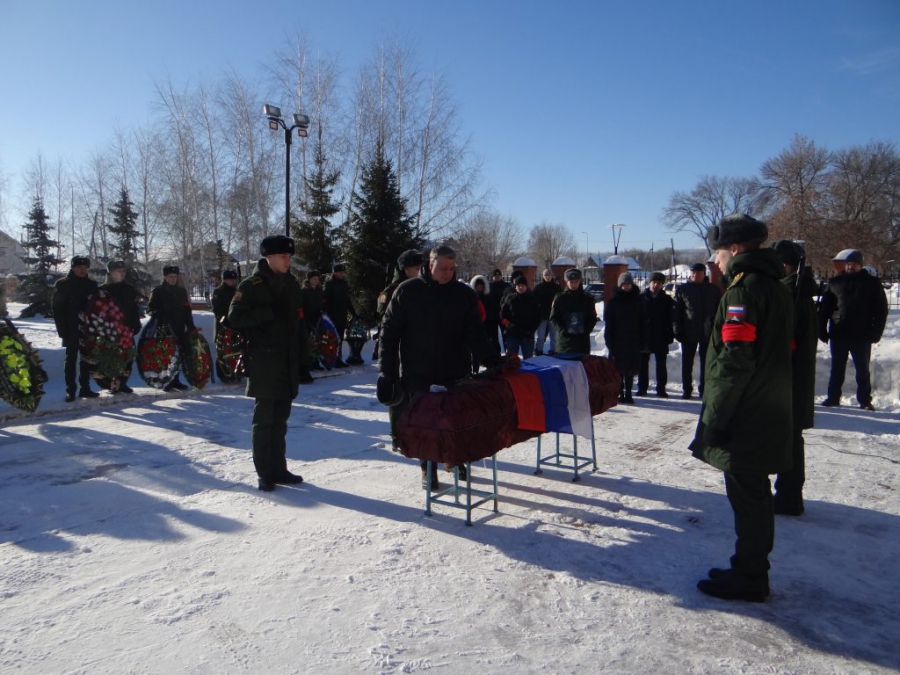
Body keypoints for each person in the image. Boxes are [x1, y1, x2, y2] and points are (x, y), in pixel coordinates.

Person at [690, 214, 793, 603]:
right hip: (767, 406)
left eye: (716, 252)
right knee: (755, 495)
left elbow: (734, 362)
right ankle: (747, 567)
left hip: (747, 413)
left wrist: (715, 420)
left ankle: (751, 576)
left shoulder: (742, 292)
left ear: (733, 249)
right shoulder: (774, 286)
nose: (714, 261)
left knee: (748, 497)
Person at [378, 244, 496, 490]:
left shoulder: (463, 294)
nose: (448, 273)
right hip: (418, 371)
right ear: (429, 265)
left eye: (452, 268)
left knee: (455, 420)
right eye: (443, 268)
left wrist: (492, 360)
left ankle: (453, 459)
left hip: (455, 370)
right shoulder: (408, 291)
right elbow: (389, 333)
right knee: (426, 424)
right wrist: (387, 372)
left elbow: (475, 332)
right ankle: (428, 468)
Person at [228, 235, 306, 492]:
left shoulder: (292, 284)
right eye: (283, 256)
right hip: (263, 361)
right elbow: (234, 318)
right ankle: (265, 473)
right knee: (264, 422)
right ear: (269, 257)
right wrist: (268, 312)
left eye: (290, 256)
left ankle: (279, 468)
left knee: (280, 420)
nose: (288, 260)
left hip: (287, 361)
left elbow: (298, 322)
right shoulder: (252, 286)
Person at [770, 239, 818, 516]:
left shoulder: (790, 296)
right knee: (791, 438)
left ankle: (788, 496)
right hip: (794, 379)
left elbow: (784, 343)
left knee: (787, 439)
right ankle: (789, 494)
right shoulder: (799, 294)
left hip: (787, 380)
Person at [818, 249, 888, 411]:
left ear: (860, 266)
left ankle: (864, 400)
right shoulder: (836, 282)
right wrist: (821, 329)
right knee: (837, 367)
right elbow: (825, 308)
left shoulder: (871, 283)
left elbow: (881, 310)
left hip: (861, 334)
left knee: (862, 369)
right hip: (839, 331)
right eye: (848, 264)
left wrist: (876, 332)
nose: (850, 267)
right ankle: (833, 397)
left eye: (854, 265)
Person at [52, 255, 99, 402]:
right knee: (71, 359)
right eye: (79, 267)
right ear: (73, 267)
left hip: (87, 328)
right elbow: (57, 309)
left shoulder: (92, 284)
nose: (82, 270)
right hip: (70, 327)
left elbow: (97, 306)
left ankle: (85, 388)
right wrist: (62, 329)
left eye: (85, 268)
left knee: (86, 359)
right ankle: (70, 390)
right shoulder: (63, 284)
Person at [673, 262, 721, 399]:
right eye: (693, 273)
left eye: (698, 273)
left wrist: (717, 329)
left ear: (704, 274)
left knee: (707, 362)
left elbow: (719, 310)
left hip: (708, 332)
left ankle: (704, 389)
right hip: (688, 332)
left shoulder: (712, 290)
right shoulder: (683, 289)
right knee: (687, 362)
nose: (695, 275)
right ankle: (686, 389)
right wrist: (677, 330)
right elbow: (676, 312)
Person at [148, 265, 195, 392]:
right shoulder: (157, 291)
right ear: (165, 277)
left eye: (175, 276)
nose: (173, 279)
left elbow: (186, 310)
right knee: (166, 355)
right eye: (170, 277)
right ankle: (166, 380)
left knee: (178, 355)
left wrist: (191, 326)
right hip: (164, 328)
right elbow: (150, 309)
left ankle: (176, 380)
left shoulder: (181, 291)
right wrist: (160, 314)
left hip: (179, 327)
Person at [99, 260, 142, 394]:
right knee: (111, 357)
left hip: (126, 329)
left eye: (123, 271)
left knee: (127, 358)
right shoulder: (103, 290)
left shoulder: (129, 289)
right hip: (109, 330)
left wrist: (136, 324)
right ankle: (112, 383)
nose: (122, 273)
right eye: (118, 271)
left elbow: (134, 309)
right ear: (110, 273)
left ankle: (122, 383)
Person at [603, 272, 646, 404]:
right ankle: (619, 392)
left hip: (633, 340)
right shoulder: (613, 302)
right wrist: (609, 341)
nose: (626, 287)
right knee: (618, 370)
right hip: (618, 341)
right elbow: (609, 324)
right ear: (620, 285)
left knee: (630, 369)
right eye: (624, 284)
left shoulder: (638, 301)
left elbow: (643, 322)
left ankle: (628, 393)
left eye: (628, 284)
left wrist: (643, 340)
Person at [373, 250, 423, 362]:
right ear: (406, 269)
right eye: (417, 269)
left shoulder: (422, 288)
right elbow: (382, 316)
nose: (421, 272)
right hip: (399, 350)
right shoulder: (391, 291)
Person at [638, 271, 675, 397]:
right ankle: (642, 388)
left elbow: (671, 319)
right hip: (645, 335)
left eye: (659, 283)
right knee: (643, 364)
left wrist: (670, 334)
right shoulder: (641, 298)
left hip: (661, 335)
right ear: (650, 283)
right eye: (654, 282)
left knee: (661, 364)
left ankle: (661, 389)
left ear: (662, 285)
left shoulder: (667, 300)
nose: (656, 285)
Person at [549, 268, 597, 356]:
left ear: (580, 281)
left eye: (576, 281)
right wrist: (563, 330)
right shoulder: (560, 298)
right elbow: (553, 318)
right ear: (566, 282)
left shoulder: (588, 299)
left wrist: (586, 329)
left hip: (582, 341)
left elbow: (592, 317)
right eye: (571, 282)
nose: (574, 284)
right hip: (565, 342)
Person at [323, 263, 357, 368]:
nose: (342, 274)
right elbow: (326, 300)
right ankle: (330, 359)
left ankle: (338, 358)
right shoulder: (329, 284)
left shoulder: (344, 284)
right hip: (332, 315)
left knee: (340, 339)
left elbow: (347, 300)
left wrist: (354, 313)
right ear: (335, 272)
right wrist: (327, 314)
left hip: (342, 315)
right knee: (332, 339)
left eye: (343, 272)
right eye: (340, 272)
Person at [500, 276, 541, 359]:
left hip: (527, 335)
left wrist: (531, 330)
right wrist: (508, 325)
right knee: (511, 360)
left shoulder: (532, 299)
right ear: (515, 287)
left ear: (526, 286)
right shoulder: (510, 298)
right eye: (519, 285)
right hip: (512, 334)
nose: (521, 287)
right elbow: (502, 315)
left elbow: (538, 316)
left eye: (523, 285)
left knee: (529, 360)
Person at [532, 268, 561, 356]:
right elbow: (533, 301)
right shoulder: (538, 287)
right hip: (542, 316)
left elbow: (560, 301)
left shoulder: (557, 287)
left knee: (554, 336)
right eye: (546, 275)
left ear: (552, 276)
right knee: (540, 336)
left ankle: (554, 350)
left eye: (549, 275)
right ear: (543, 276)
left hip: (553, 315)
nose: (547, 277)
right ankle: (539, 350)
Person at [300, 270, 325, 371]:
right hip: (307, 321)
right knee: (309, 343)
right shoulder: (304, 292)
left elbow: (323, 304)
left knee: (318, 342)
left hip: (318, 320)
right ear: (309, 280)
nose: (316, 280)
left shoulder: (320, 291)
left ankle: (316, 362)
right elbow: (301, 307)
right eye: (313, 279)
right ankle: (308, 362)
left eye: (317, 279)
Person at [483, 268, 509, 356]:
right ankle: (496, 354)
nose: (497, 277)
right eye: (495, 276)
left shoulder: (506, 286)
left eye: (498, 275)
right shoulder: (489, 286)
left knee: (505, 335)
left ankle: (507, 353)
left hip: (503, 314)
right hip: (492, 315)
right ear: (493, 276)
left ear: (501, 276)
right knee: (493, 336)